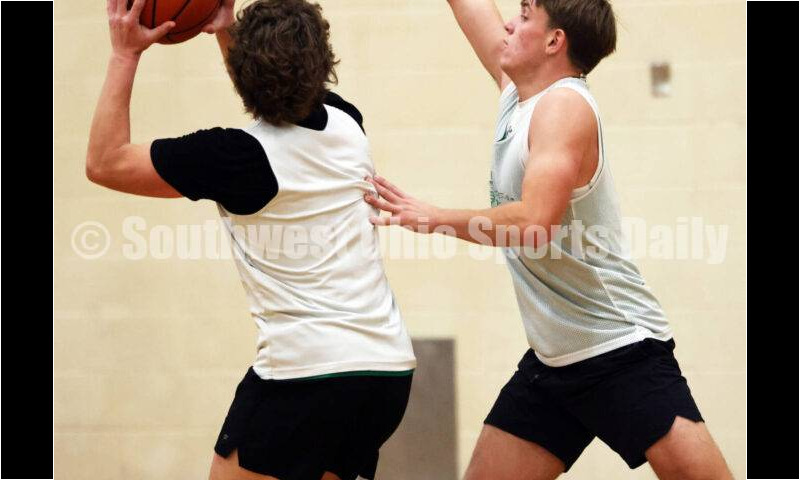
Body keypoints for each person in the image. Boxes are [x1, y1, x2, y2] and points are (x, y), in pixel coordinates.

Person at [363, 0, 733, 478]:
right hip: (554, 362)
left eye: (523, 14)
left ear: (554, 41)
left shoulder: (564, 107)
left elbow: (535, 224)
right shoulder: (516, 95)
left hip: (618, 349)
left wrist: (431, 217)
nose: (509, 24)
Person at [86, 0, 416, 479]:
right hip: (385, 374)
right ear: (323, 63)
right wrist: (225, 33)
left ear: (245, 69)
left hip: (305, 375)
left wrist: (124, 54)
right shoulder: (348, 124)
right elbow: (280, 95)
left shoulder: (235, 158)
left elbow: (105, 162)